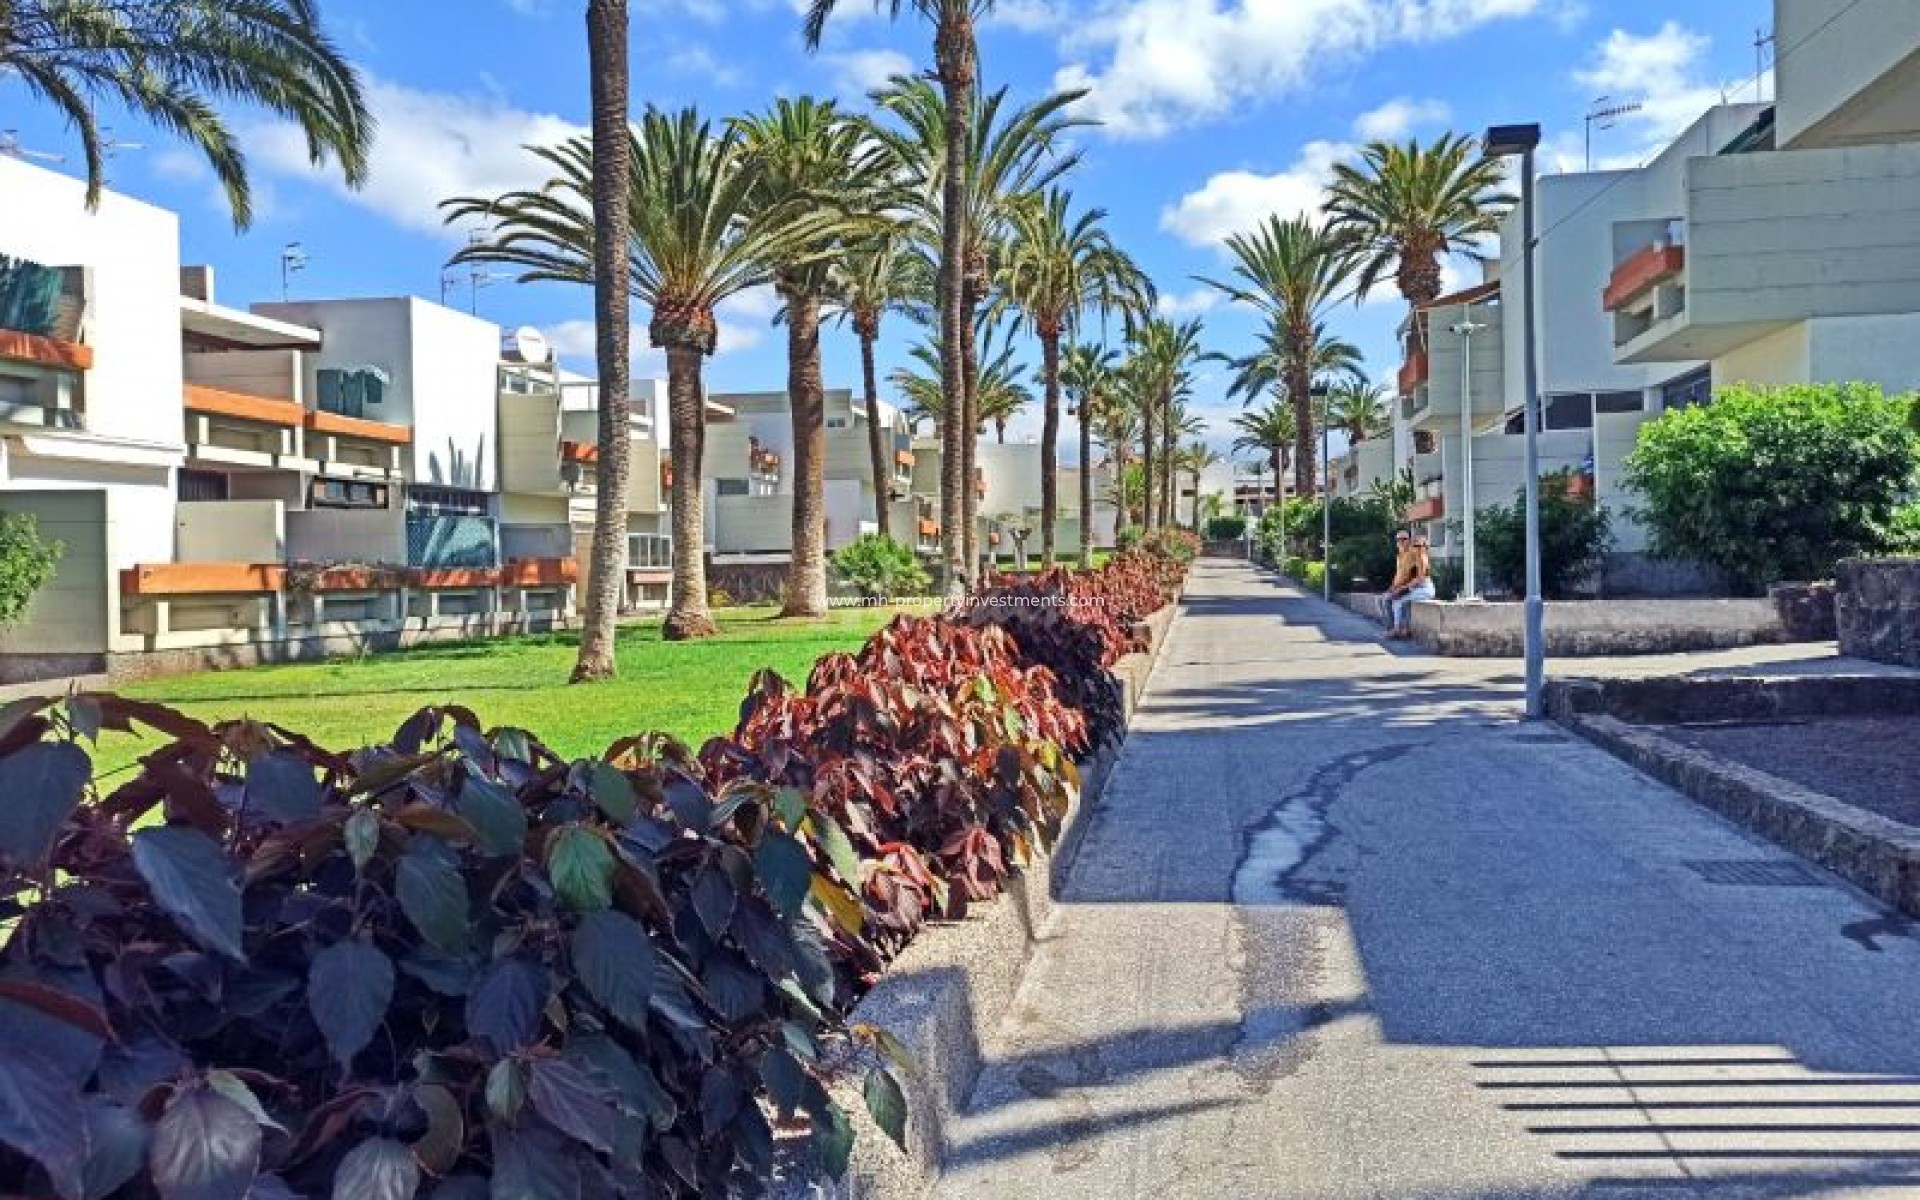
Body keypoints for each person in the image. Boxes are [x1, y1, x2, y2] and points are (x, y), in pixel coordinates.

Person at [1384, 530, 1434, 640]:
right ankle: (1401, 629)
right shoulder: (1414, 556)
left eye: (1420, 545)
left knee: (1398, 600)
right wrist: (1396, 587)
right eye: (1415, 545)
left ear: (1425, 547)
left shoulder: (1422, 558)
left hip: (1424, 589)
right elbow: (1405, 575)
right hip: (1417, 589)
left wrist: (1401, 589)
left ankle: (1397, 629)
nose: (1417, 547)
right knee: (1400, 601)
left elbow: (1420, 579)